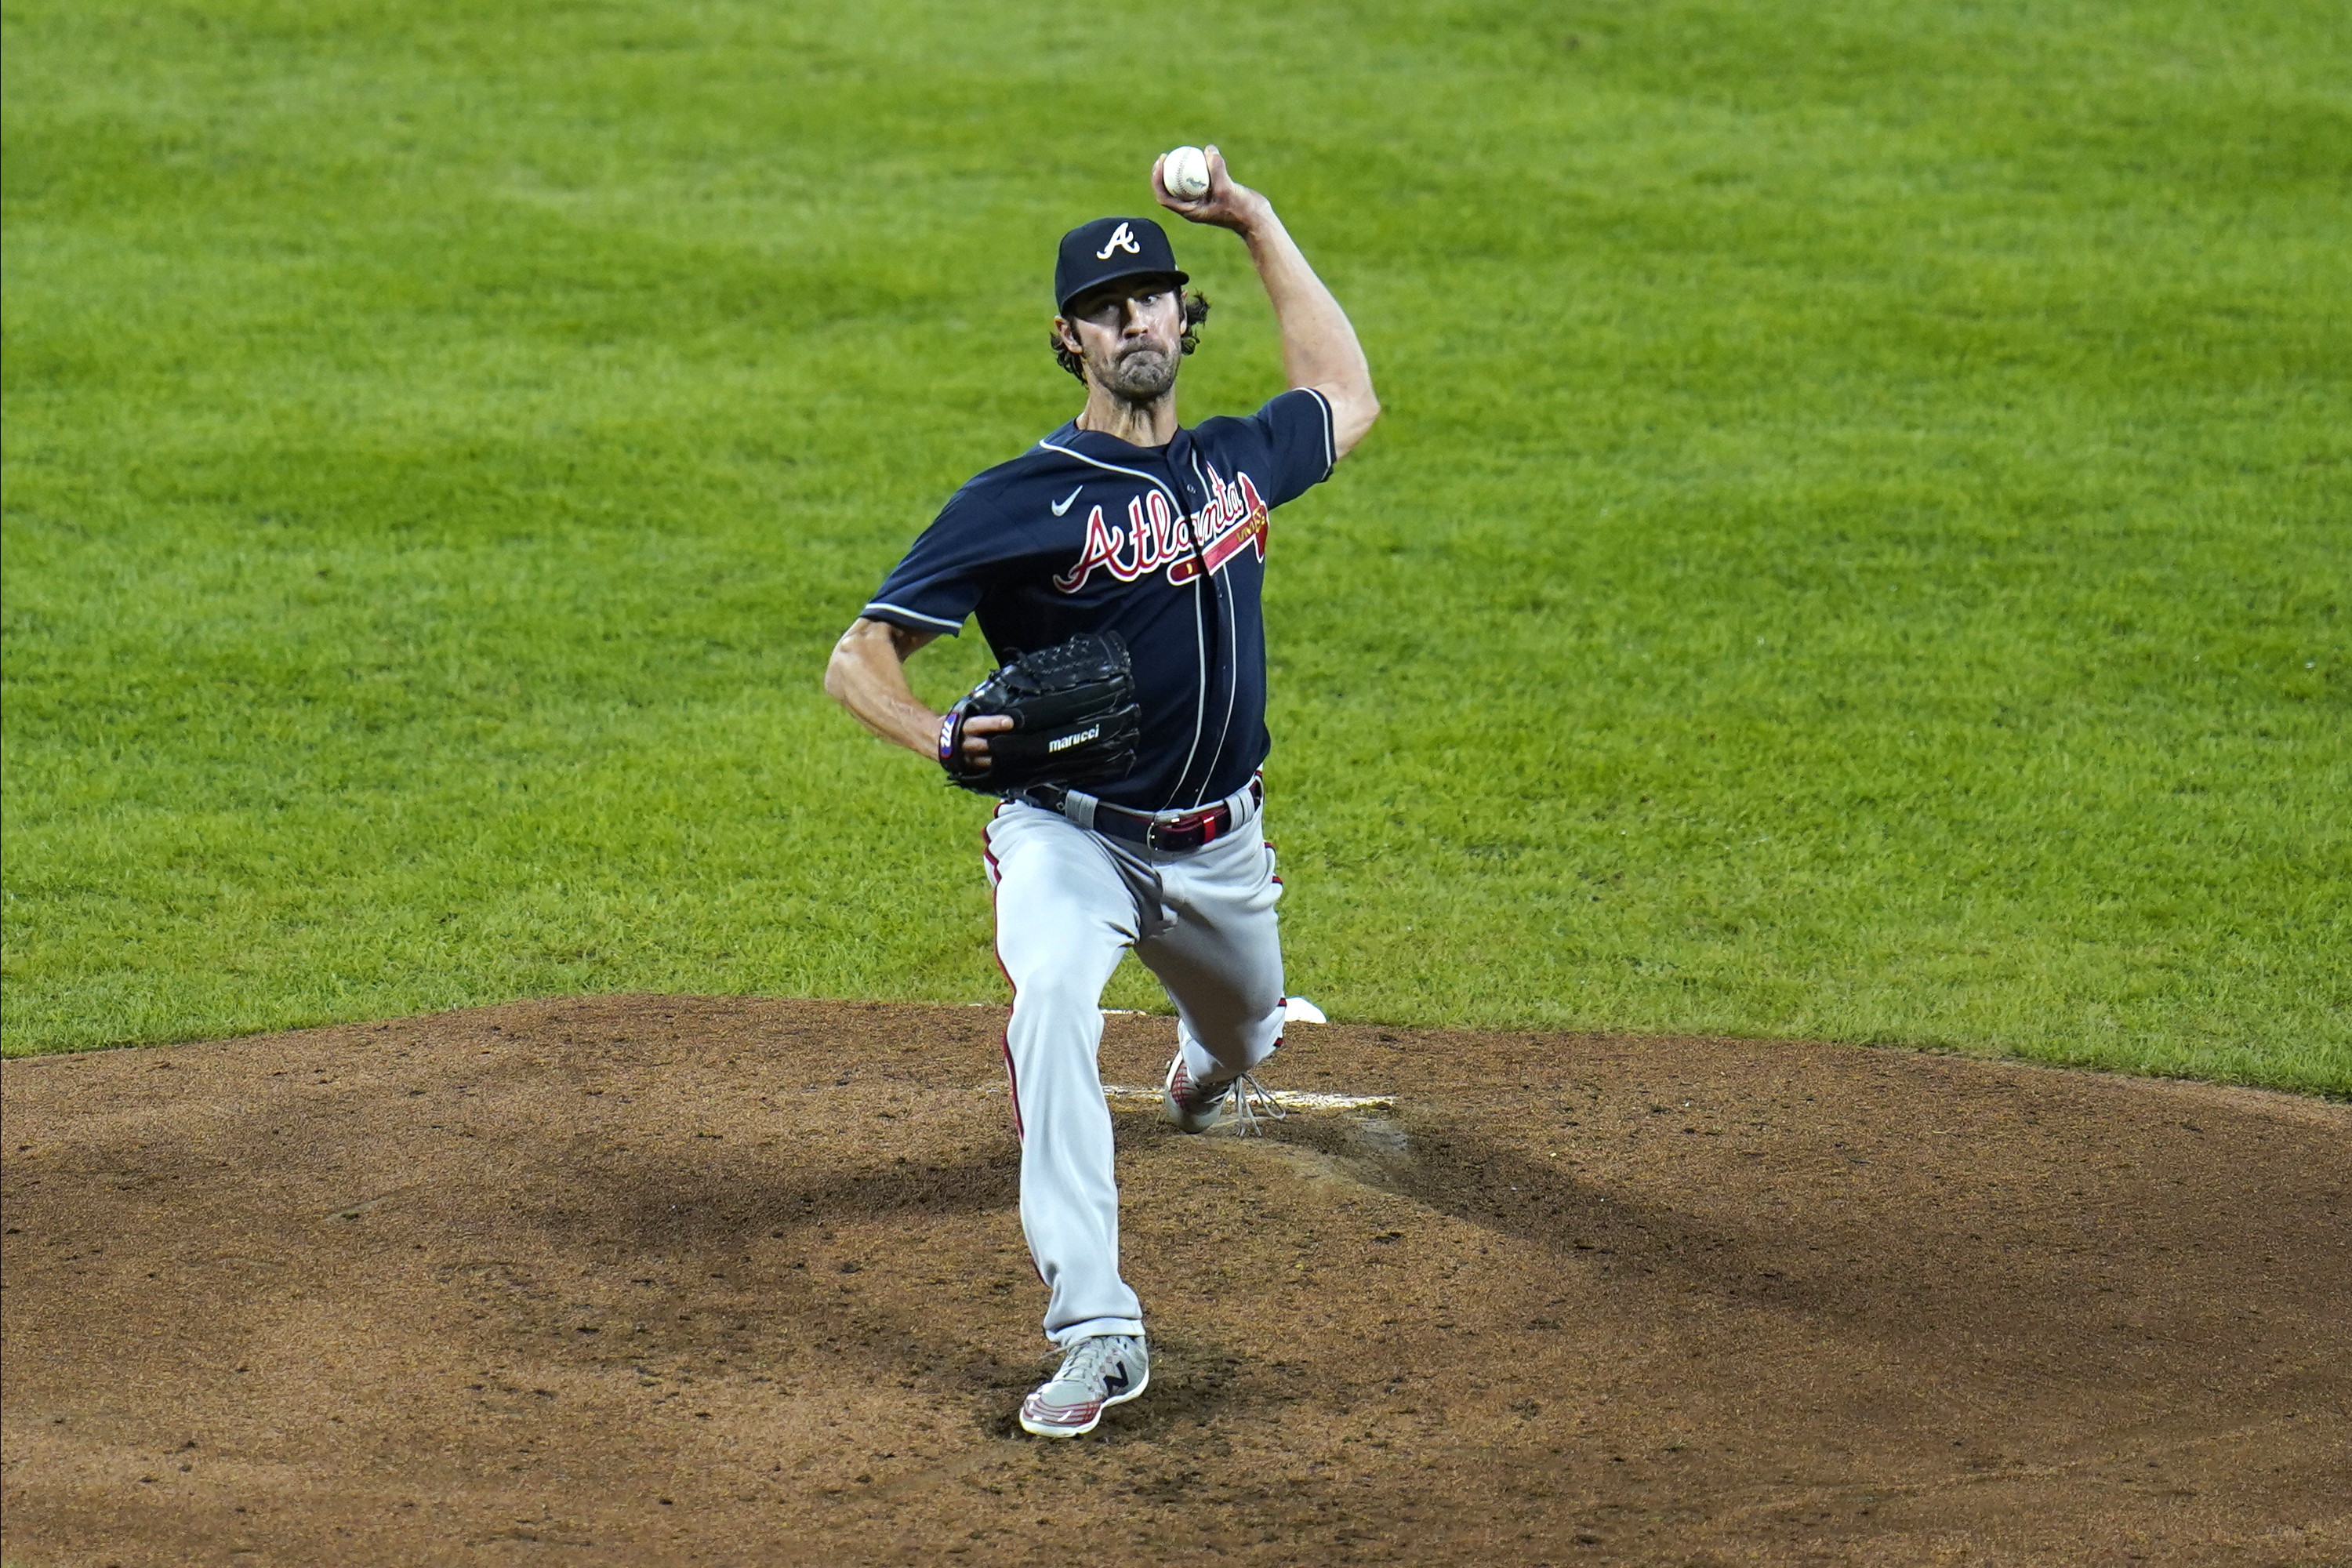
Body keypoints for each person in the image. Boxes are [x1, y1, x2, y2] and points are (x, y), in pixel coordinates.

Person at [823, 147, 1379, 1439]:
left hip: (1221, 850)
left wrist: (1254, 218)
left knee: (1243, 1037)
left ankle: (1201, 1070)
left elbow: (1344, 393)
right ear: (1068, 339)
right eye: (1109, 309)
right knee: (1054, 1003)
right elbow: (859, 658)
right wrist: (937, 739)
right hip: (1068, 840)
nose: (1138, 322)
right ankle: (1097, 1327)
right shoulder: (1018, 500)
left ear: (1183, 320)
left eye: (1156, 301)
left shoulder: (1240, 460)